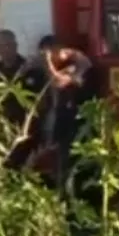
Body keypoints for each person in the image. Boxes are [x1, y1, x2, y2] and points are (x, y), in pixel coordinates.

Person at [38, 35, 94, 191]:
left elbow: (59, 82)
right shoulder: (62, 64)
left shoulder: (79, 62)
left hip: (78, 120)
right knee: (60, 160)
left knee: (71, 162)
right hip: (64, 119)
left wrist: (48, 63)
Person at [0, 29, 45, 170]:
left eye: (8, 45)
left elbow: (40, 101)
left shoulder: (29, 69)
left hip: (27, 129)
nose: (5, 49)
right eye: (1, 45)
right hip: (6, 130)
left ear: (15, 46)